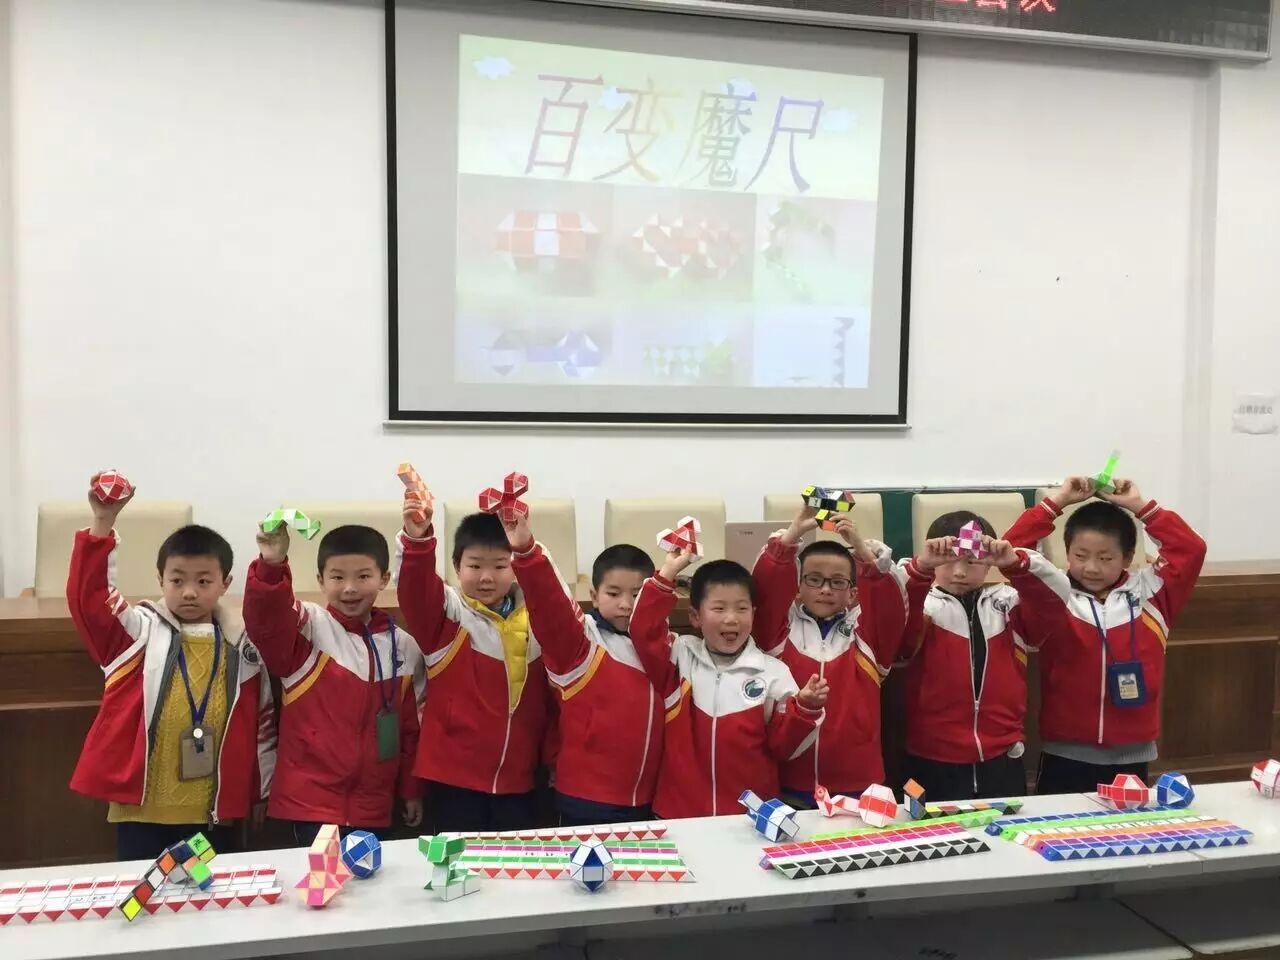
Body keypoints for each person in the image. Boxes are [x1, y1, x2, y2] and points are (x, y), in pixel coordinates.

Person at [66, 474, 275, 860]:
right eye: (177, 580)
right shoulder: (136, 635)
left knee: (210, 895)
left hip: (212, 818)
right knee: (143, 897)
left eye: (204, 581)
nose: (189, 591)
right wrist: (103, 522)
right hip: (143, 815)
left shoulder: (243, 648)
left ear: (225, 583)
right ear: (160, 579)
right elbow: (89, 600)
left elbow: (262, 723)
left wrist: (260, 793)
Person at [1003, 477, 1207, 793]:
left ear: (1127, 557)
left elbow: (1191, 549)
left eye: (1106, 558)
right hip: (1064, 753)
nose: (1092, 568)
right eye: (1080, 555)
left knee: (1125, 825)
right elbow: (1010, 549)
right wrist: (1058, 501)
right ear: (1067, 552)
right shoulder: (1052, 596)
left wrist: (1140, 507)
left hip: (1132, 754)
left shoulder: (1151, 594)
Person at [244, 522, 424, 846]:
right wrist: (271, 564)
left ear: (384, 578)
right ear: (320, 580)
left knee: (370, 879)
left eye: (363, 576)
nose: (350, 588)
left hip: (375, 807)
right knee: (323, 881)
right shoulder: (309, 627)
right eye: (338, 577)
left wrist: (411, 791)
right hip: (310, 807)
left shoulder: (404, 646)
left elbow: (410, 731)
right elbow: (265, 620)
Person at [628, 548, 829, 819]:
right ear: (695, 617)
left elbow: (784, 749)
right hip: (678, 814)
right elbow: (643, 630)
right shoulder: (680, 656)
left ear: (753, 614)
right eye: (719, 608)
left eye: (741, 608)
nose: (731, 618)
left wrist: (805, 708)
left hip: (751, 818)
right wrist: (668, 573)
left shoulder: (773, 673)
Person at [396, 493, 551, 832]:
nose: (486, 577)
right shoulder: (447, 615)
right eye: (475, 566)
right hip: (454, 780)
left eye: (500, 566)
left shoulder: (538, 617)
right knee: (458, 861)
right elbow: (414, 590)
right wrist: (417, 542)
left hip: (519, 778)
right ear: (456, 567)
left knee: (512, 860)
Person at [898, 512, 1072, 801]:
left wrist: (1016, 564)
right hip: (930, 760)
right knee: (932, 829)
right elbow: (890, 618)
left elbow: (1058, 595)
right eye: (948, 560)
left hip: (1002, 758)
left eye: (972, 561)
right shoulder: (921, 606)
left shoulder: (1009, 605)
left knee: (1007, 829)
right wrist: (920, 569)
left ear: (989, 562)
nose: (959, 572)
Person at [504, 508, 661, 826]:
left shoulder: (667, 647)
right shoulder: (580, 643)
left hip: (648, 800)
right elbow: (550, 605)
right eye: (613, 593)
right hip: (586, 800)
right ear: (594, 596)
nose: (626, 604)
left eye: (638, 594)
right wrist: (527, 552)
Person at [752, 505, 906, 806]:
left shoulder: (869, 638)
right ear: (797, 588)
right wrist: (793, 534)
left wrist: (861, 550)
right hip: (790, 784)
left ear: (853, 592)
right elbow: (766, 589)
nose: (825, 589)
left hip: (859, 785)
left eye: (837, 582)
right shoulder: (778, 634)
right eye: (814, 579)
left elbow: (889, 604)